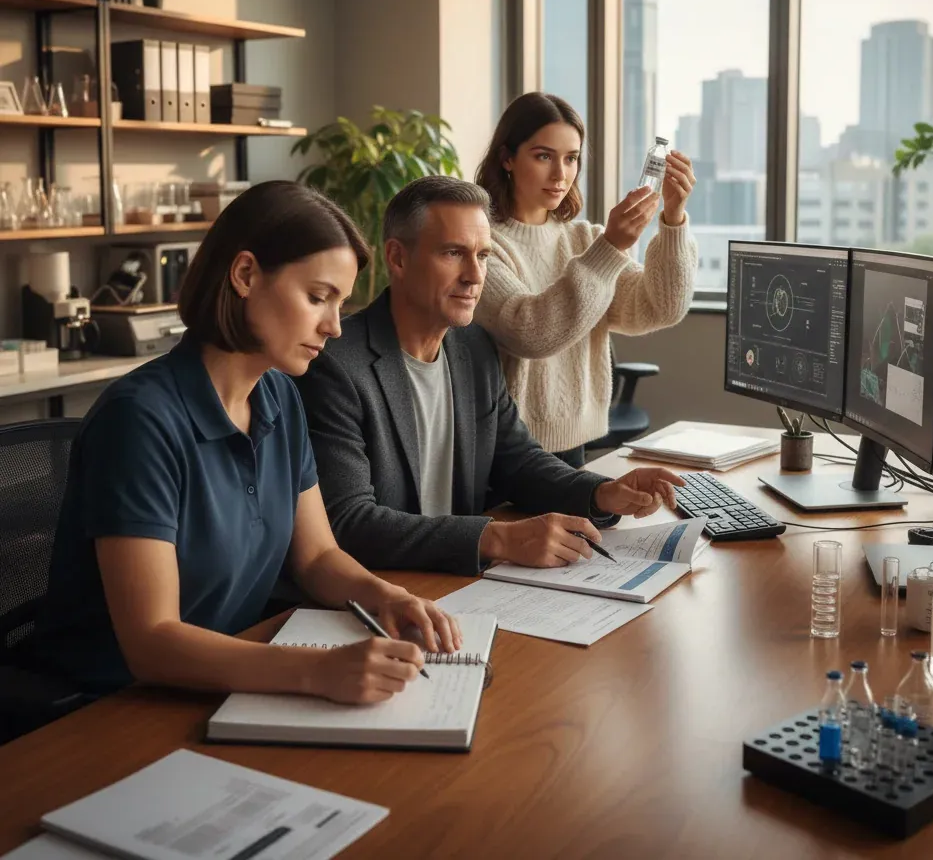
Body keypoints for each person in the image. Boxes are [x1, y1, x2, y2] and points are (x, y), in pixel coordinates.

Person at [30, 181, 459, 704]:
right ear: (245, 275)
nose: (334, 327)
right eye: (317, 297)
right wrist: (317, 671)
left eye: (340, 303)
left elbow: (317, 556)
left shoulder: (279, 395)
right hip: (104, 707)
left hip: (229, 682)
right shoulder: (138, 420)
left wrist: (386, 597)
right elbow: (151, 641)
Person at [294, 176, 684, 577]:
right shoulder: (336, 364)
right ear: (397, 258)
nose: (474, 275)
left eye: (482, 256)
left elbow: (518, 461)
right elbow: (348, 521)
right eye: (453, 253)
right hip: (383, 586)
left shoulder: (473, 346)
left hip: (460, 581)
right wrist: (496, 538)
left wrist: (602, 492)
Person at [473, 92, 698, 467]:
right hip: (507, 453)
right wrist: (610, 247)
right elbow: (531, 333)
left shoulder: (586, 240)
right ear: (507, 158)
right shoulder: (482, 245)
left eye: (571, 158)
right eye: (543, 156)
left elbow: (660, 307)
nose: (560, 175)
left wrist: (673, 219)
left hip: (575, 443)